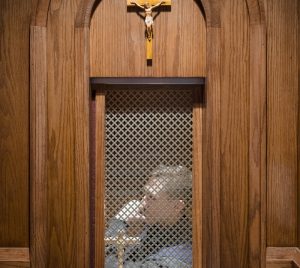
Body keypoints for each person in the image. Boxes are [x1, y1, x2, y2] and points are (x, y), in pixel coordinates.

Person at [105, 164, 193, 268]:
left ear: (176, 206)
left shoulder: (182, 255)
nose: (142, 204)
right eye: (145, 194)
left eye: (152, 197)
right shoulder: (147, 224)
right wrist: (128, 234)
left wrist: (119, 221)